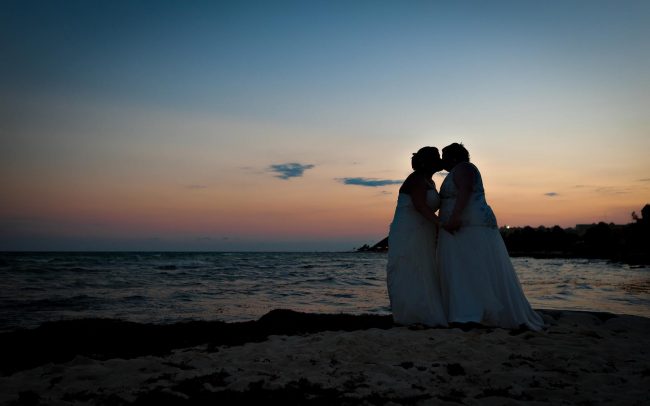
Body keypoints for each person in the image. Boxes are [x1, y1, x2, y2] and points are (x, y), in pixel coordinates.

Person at [438, 143, 544, 330]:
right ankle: (466, 311)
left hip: (467, 225)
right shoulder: (458, 170)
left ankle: (472, 313)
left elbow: (466, 190)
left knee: (471, 267)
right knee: (464, 268)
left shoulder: (464, 168)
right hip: (461, 226)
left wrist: (455, 217)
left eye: (444, 156)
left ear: (453, 157)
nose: (441, 160)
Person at [386, 147, 448, 327]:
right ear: (426, 162)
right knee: (410, 266)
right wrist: (441, 224)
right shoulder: (415, 179)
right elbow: (420, 206)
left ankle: (425, 311)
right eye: (436, 158)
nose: (439, 161)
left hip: (424, 230)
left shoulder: (430, 181)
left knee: (425, 267)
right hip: (408, 229)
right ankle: (412, 314)